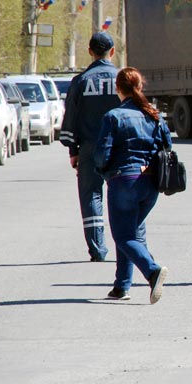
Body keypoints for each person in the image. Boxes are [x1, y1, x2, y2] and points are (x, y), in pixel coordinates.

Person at [94, 67, 170, 304]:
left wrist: (104, 172)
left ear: (118, 88)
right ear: (140, 86)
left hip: (124, 182)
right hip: (150, 185)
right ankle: (121, 286)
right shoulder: (154, 115)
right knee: (130, 233)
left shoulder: (113, 116)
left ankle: (152, 271)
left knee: (124, 235)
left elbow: (101, 155)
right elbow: (167, 147)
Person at [60, 32, 120, 262]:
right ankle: (127, 244)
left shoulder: (81, 81)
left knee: (91, 196)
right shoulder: (122, 79)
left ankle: (98, 249)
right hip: (118, 149)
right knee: (120, 194)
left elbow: (71, 118)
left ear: (89, 52)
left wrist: (72, 150)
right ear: (112, 52)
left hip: (89, 148)